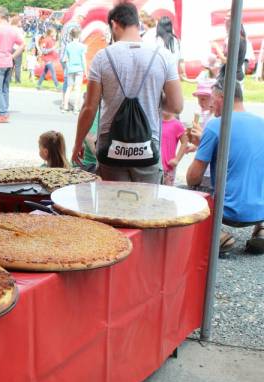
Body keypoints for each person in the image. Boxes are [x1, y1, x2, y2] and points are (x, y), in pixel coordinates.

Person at [71, 2, 183, 183]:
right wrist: (154, 98)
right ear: (137, 23)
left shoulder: (102, 57)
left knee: (112, 207)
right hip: (147, 146)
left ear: (114, 24)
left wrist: (78, 144)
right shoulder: (163, 56)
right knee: (145, 207)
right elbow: (176, 106)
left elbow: (89, 108)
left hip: (111, 148)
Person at [186, 79, 264, 254]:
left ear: (221, 97)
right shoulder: (261, 123)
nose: (212, 105)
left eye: (213, 99)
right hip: (260, 209)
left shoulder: (216, 125)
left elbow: (193, 177)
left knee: (187, 190)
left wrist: (201, 148)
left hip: (228, 212)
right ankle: (261, 230)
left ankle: (220, 235)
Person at [0, 7, 24, 123]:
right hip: (9, 61)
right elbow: (23, 44)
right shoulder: (13, 29)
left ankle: (2, 113)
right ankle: (4, 109)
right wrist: (13, 56)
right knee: (5, 88)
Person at [59, 13, 84, 100]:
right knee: (71, 82)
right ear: (79, 17)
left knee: (67, 79)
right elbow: (79, 41)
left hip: (62, 55)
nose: (83, 21)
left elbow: (62, 40)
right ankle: (66, 102)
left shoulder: (66, 25)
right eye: (82, 18)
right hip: (71, 57)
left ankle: (64, 100)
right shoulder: (76, 26)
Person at [160, 110, 190, 186]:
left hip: (168, 168)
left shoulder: (177, 124)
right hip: (155, 166)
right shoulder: (156, 121)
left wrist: (177, 159)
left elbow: (185, 142)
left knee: (167, 194)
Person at [61, 28, 87, 113]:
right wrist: (86, 71)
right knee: (78, 88)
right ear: (79, 36)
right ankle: (76, 108)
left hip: (70, 69)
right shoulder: (82, 46)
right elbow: (83, 60)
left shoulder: (68, 46)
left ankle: (65, 106)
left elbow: (65, 59)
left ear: (71, 36)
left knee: (69, 88)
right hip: (79, 69)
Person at [10, 16, 24, 84]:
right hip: (17, 48)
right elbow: (22, 40)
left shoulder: (9, 28)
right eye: (20, 21)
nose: (21, 22)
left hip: (10, 48)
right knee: (18, 65)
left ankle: (9, 79)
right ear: (17, 22)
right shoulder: (19, 30)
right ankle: (17, 80)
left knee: (10, 65)